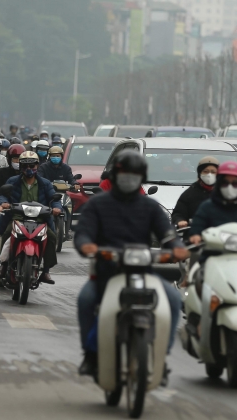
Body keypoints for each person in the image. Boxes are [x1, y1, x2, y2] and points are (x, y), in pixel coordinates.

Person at [74, 150, 188, 376]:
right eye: (125, 173)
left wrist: (176, 247)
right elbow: (83, 233)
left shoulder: (150, 207)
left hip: (143, 272)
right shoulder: (98, 204)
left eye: (135, 174)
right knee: (86, 300)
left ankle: (161, 357)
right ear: (115, 175)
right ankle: (90, 354)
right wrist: (88, 245)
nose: (129, 177)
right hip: (106, 273)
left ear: (142, 176)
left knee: (174, 300)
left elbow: (167, 234)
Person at [0, 151, 61, 284]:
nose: (29, 169)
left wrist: (57, 208)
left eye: (32, 165)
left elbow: (54, 198)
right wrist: (3, 203)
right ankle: (3, 265)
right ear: (21, 167)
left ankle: (46, 271)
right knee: (7, 234)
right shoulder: (13, 182)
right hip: (17, 219)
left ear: (37, 166)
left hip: (40, 220)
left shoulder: (45, 183)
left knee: (52, 237)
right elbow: (2, 194)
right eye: (26, 166)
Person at [189, 161, 237, 248]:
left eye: (235, 183)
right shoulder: (206, 207)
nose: (230, 187)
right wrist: (195, 236)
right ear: (218, 183)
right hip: (212, 257)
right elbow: (196, 228)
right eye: (225, 183)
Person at [171, 156, 219, 238]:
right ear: (200, 173)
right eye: (206, 171)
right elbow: (178, 213)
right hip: (194, 237)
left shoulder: (223, 192)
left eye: (213, 172)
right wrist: (180, 221)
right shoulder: (190, 193)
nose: (209, 175)